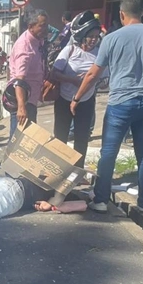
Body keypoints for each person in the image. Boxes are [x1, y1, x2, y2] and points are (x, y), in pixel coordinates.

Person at [73, 0, 143, 214]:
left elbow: (92, 75)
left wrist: (77, 98)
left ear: (121, 14)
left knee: (108, 153)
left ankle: (100, 201)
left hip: (120, 103)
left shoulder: (111, 39)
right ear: (142, 12)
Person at [50, 10, 102, 168]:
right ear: (82, 36)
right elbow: (54, 73)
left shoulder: (99, 54)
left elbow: (104, 79)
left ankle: (77, 171)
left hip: (85, 102)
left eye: (96, 36)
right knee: (60, 137)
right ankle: (58, 168)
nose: (93, 40)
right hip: (64, 101)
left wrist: (95, 81)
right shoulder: (70, 50)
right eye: (90, 36)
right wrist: (73, 80)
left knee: (82, 138)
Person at [8, 9, 49, 137]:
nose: (46, 28)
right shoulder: (25, 47)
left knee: (27, 141)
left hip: (31, 99)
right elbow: (19, 80)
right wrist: (21, 108)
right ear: (31, 27)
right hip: (23, 101)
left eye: (46, 24)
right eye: (42, 25)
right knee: (18, 142)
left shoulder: (37, 41)